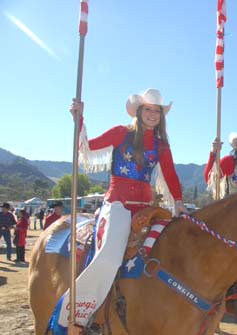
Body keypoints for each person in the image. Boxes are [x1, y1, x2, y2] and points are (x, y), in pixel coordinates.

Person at [47, 88, 188, 334]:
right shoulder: (121, 133)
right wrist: (79, 119)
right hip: (118, 203)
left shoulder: (161, 144)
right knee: (111, 257)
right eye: (148, 109)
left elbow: (171, 175)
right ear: (139, 111)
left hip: (147, 205)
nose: (153, 114)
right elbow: (88, 147)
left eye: (157, 111)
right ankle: (77, 314)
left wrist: (178, 201)